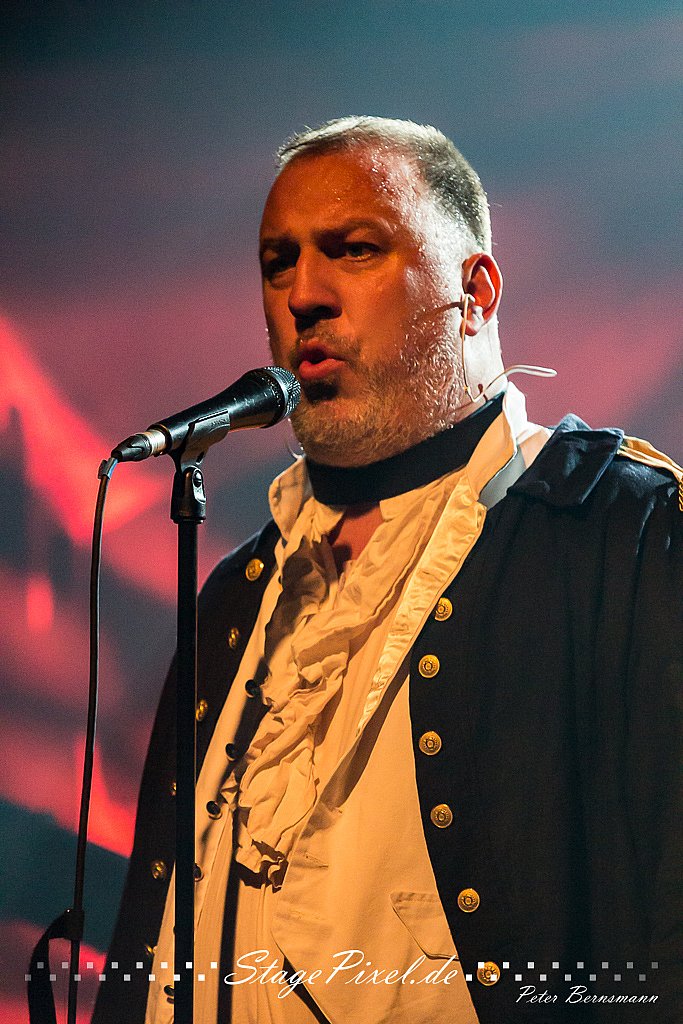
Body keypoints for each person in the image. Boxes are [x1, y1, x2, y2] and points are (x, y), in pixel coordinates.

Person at [92, 117, 681, 1024]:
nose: (303, 295)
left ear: (473, 292)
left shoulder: (622, 533)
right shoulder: (236, 598)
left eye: (354, 249)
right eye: (279, 262)